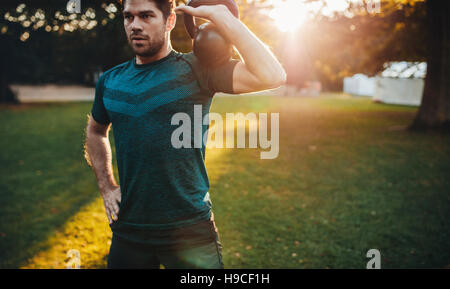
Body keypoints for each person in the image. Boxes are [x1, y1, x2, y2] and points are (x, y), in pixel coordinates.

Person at [84, 0, 286, 269]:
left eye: (146, 16)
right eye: (128, 17)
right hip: (130, 230)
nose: (135, 25)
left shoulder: (198, 69)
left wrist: (222, 17)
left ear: (170, 21)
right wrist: (107, 186)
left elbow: (271, 75)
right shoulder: (110, 81)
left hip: (190, 231)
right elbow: (96, 131)